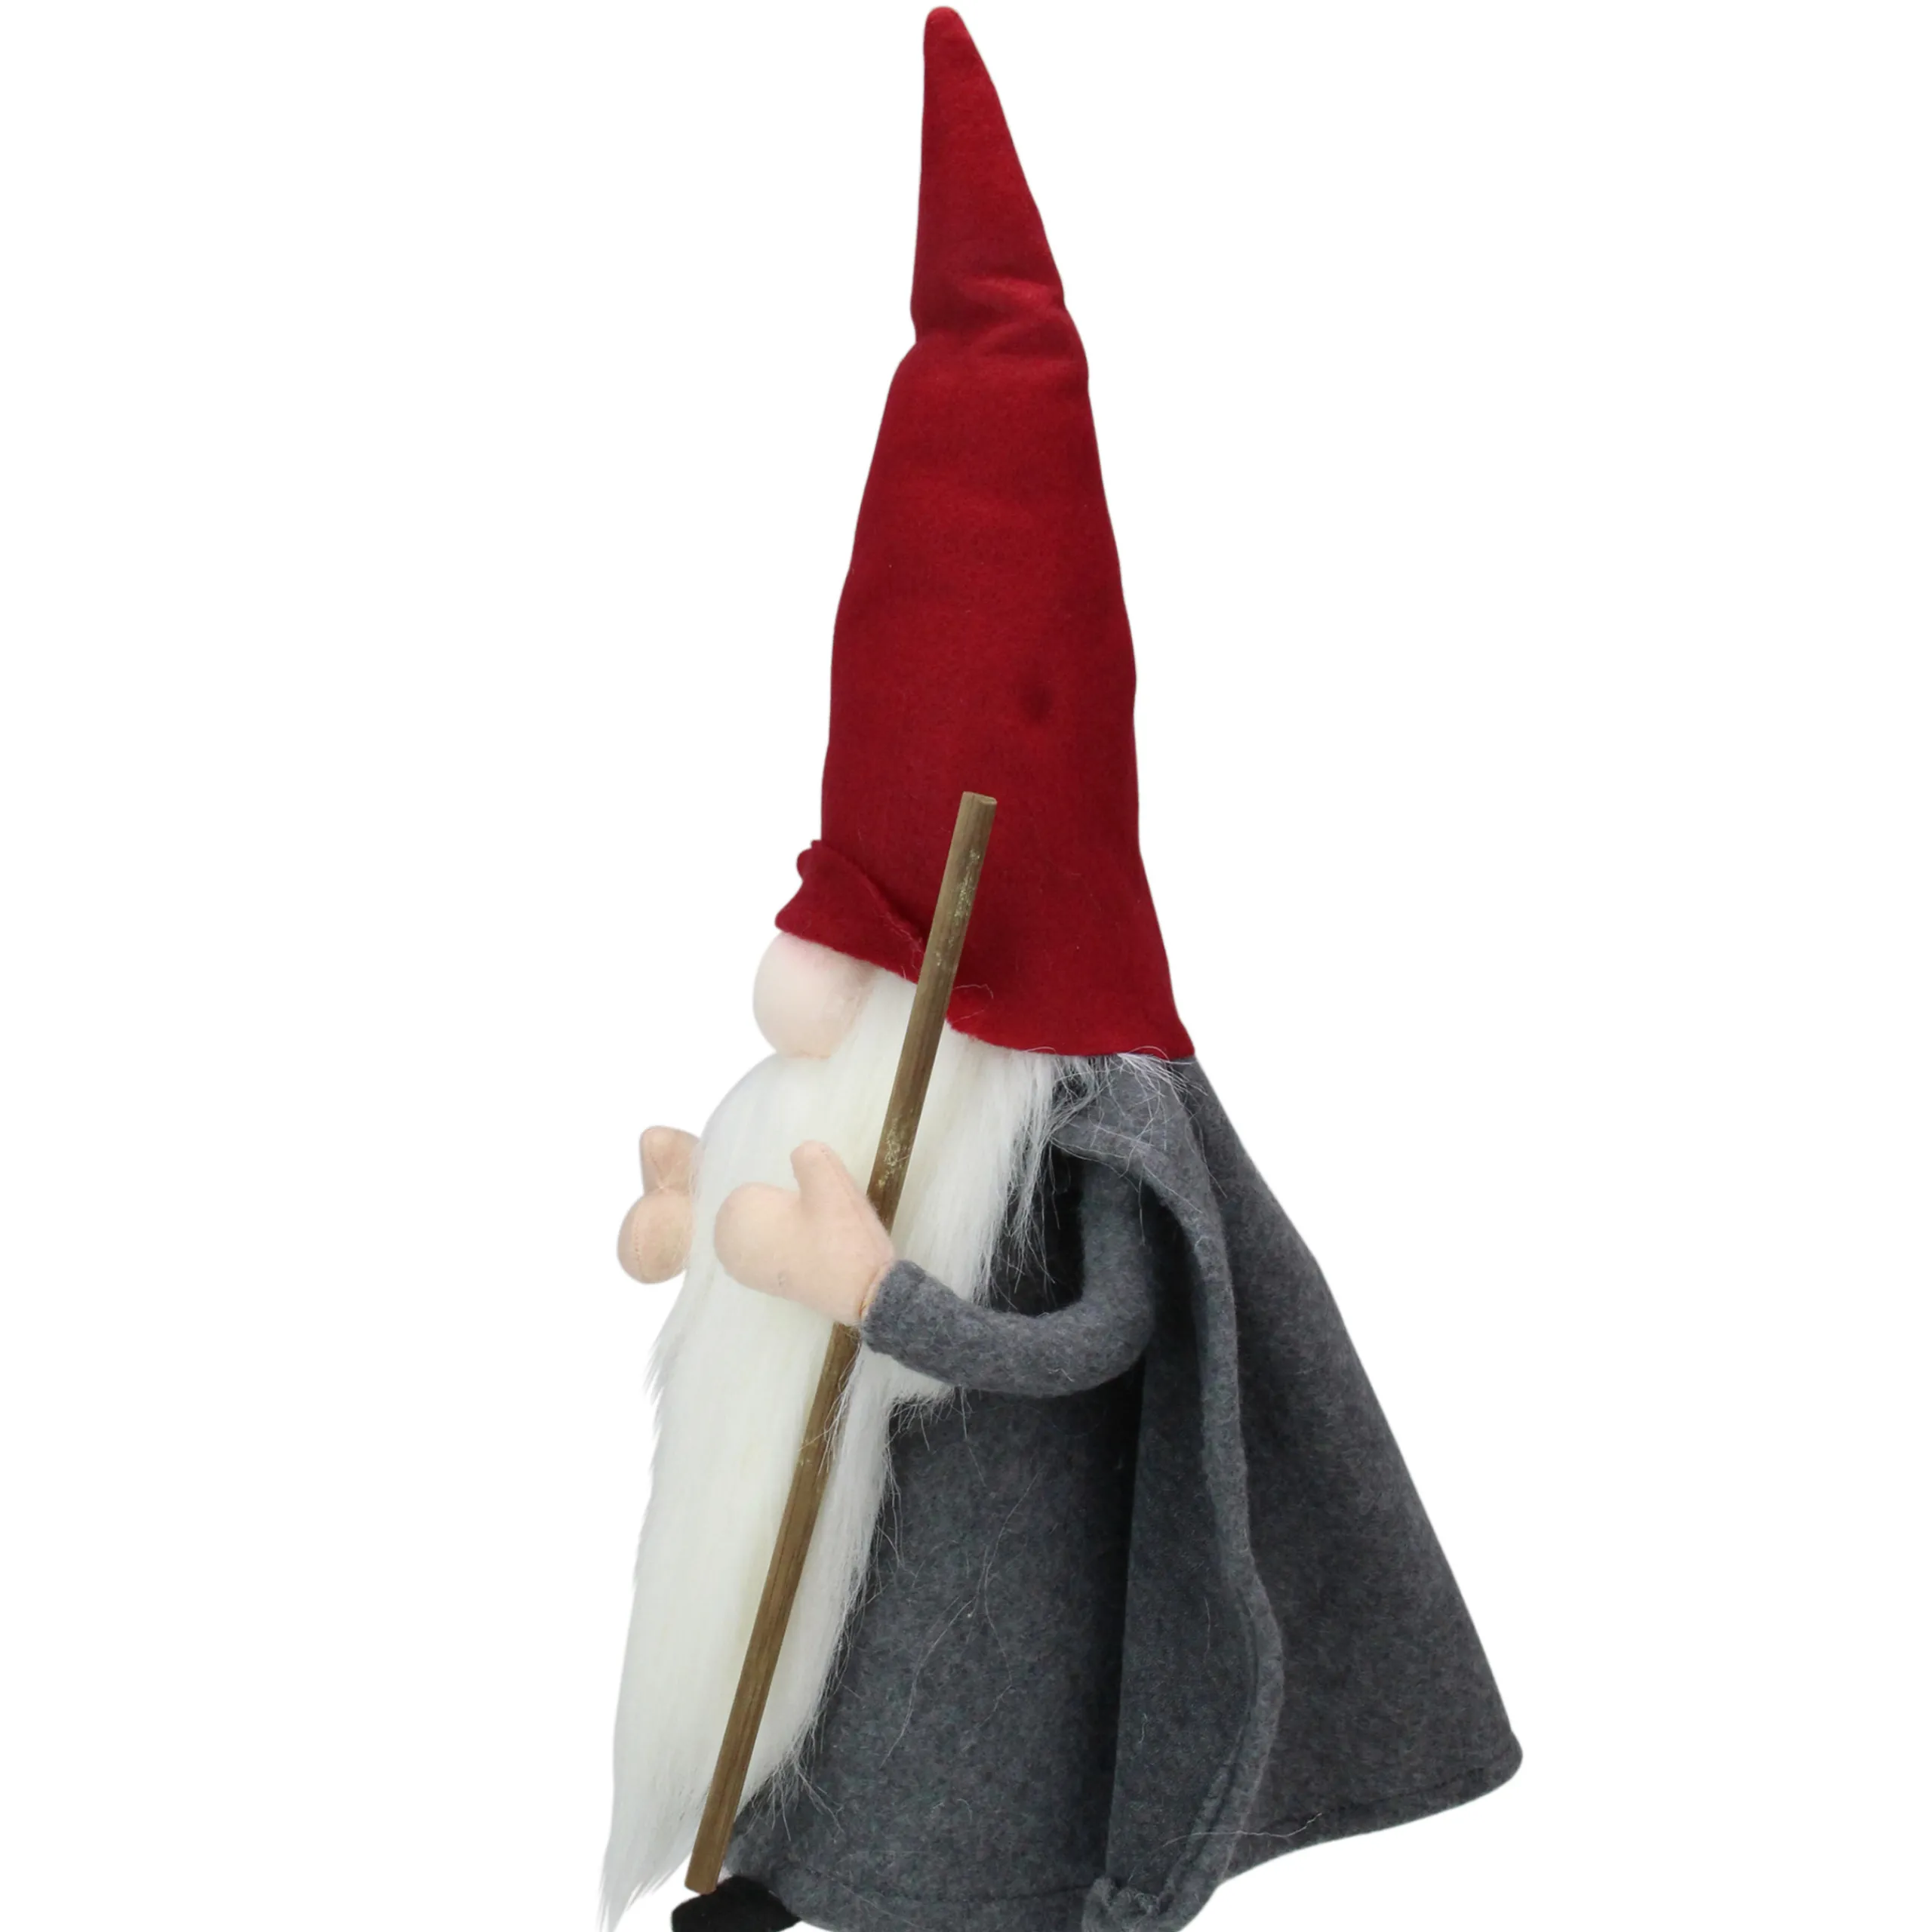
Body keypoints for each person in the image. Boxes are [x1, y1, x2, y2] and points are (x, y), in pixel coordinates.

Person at [602, 16, 1518, 1932]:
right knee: (841, 1716)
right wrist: (714, 1212)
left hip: (1014, 1625)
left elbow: (1099, 1338)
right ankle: (776, 1864)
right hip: (855, 1592)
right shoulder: (862, 1066)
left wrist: (879, 1292)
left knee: (959, 1775)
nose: (824, 966)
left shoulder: (1080, 1114)